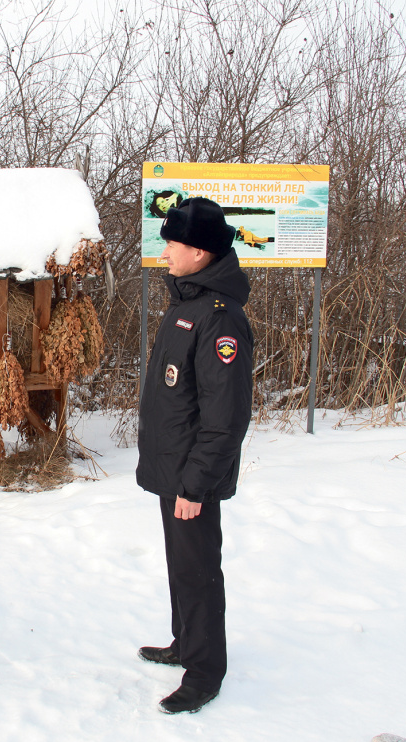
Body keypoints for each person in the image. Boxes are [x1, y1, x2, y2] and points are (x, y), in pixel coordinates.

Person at [135, 197, 253, 714]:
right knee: (181, 565)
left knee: (199, 569)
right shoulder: (188, 304)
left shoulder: (220, 320)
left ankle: (205, 671)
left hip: (192, 474)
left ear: (201, 253)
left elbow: (225, 416)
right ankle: (185, 642)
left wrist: (196, 483)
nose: (165, 252)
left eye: (173, 243)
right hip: (174, 467)